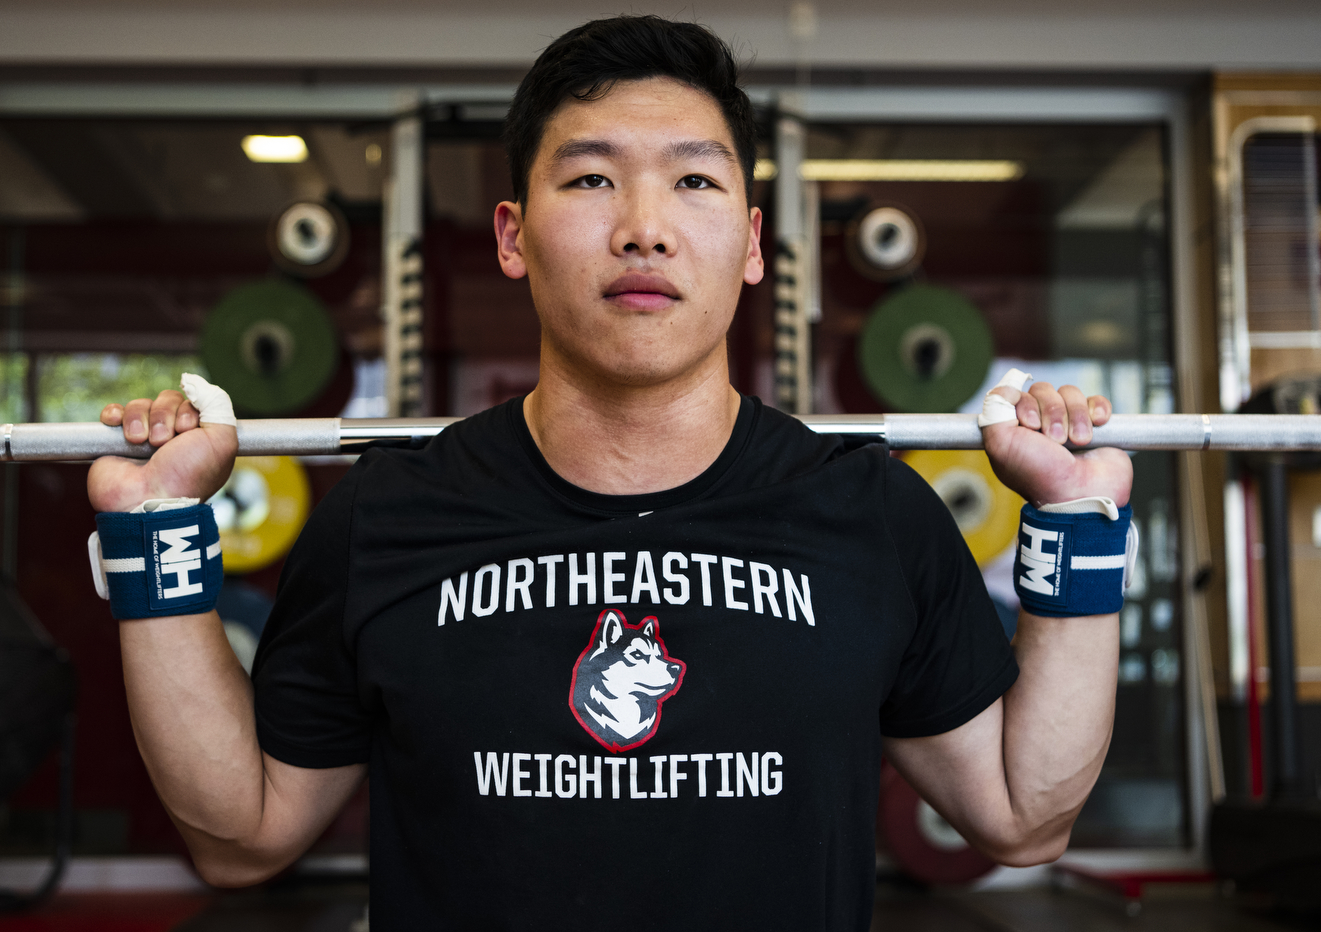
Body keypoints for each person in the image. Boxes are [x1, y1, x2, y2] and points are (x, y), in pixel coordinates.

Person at [86, 15, 1133, 931]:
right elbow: (242, 838)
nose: (643, 226)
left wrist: (1079, 525)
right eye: (590, 178)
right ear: (512, 235)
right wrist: (154, 539)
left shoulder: (868, 514)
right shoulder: (387, 516)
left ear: (752, 242)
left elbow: (1019, 811)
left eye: (693, 180)